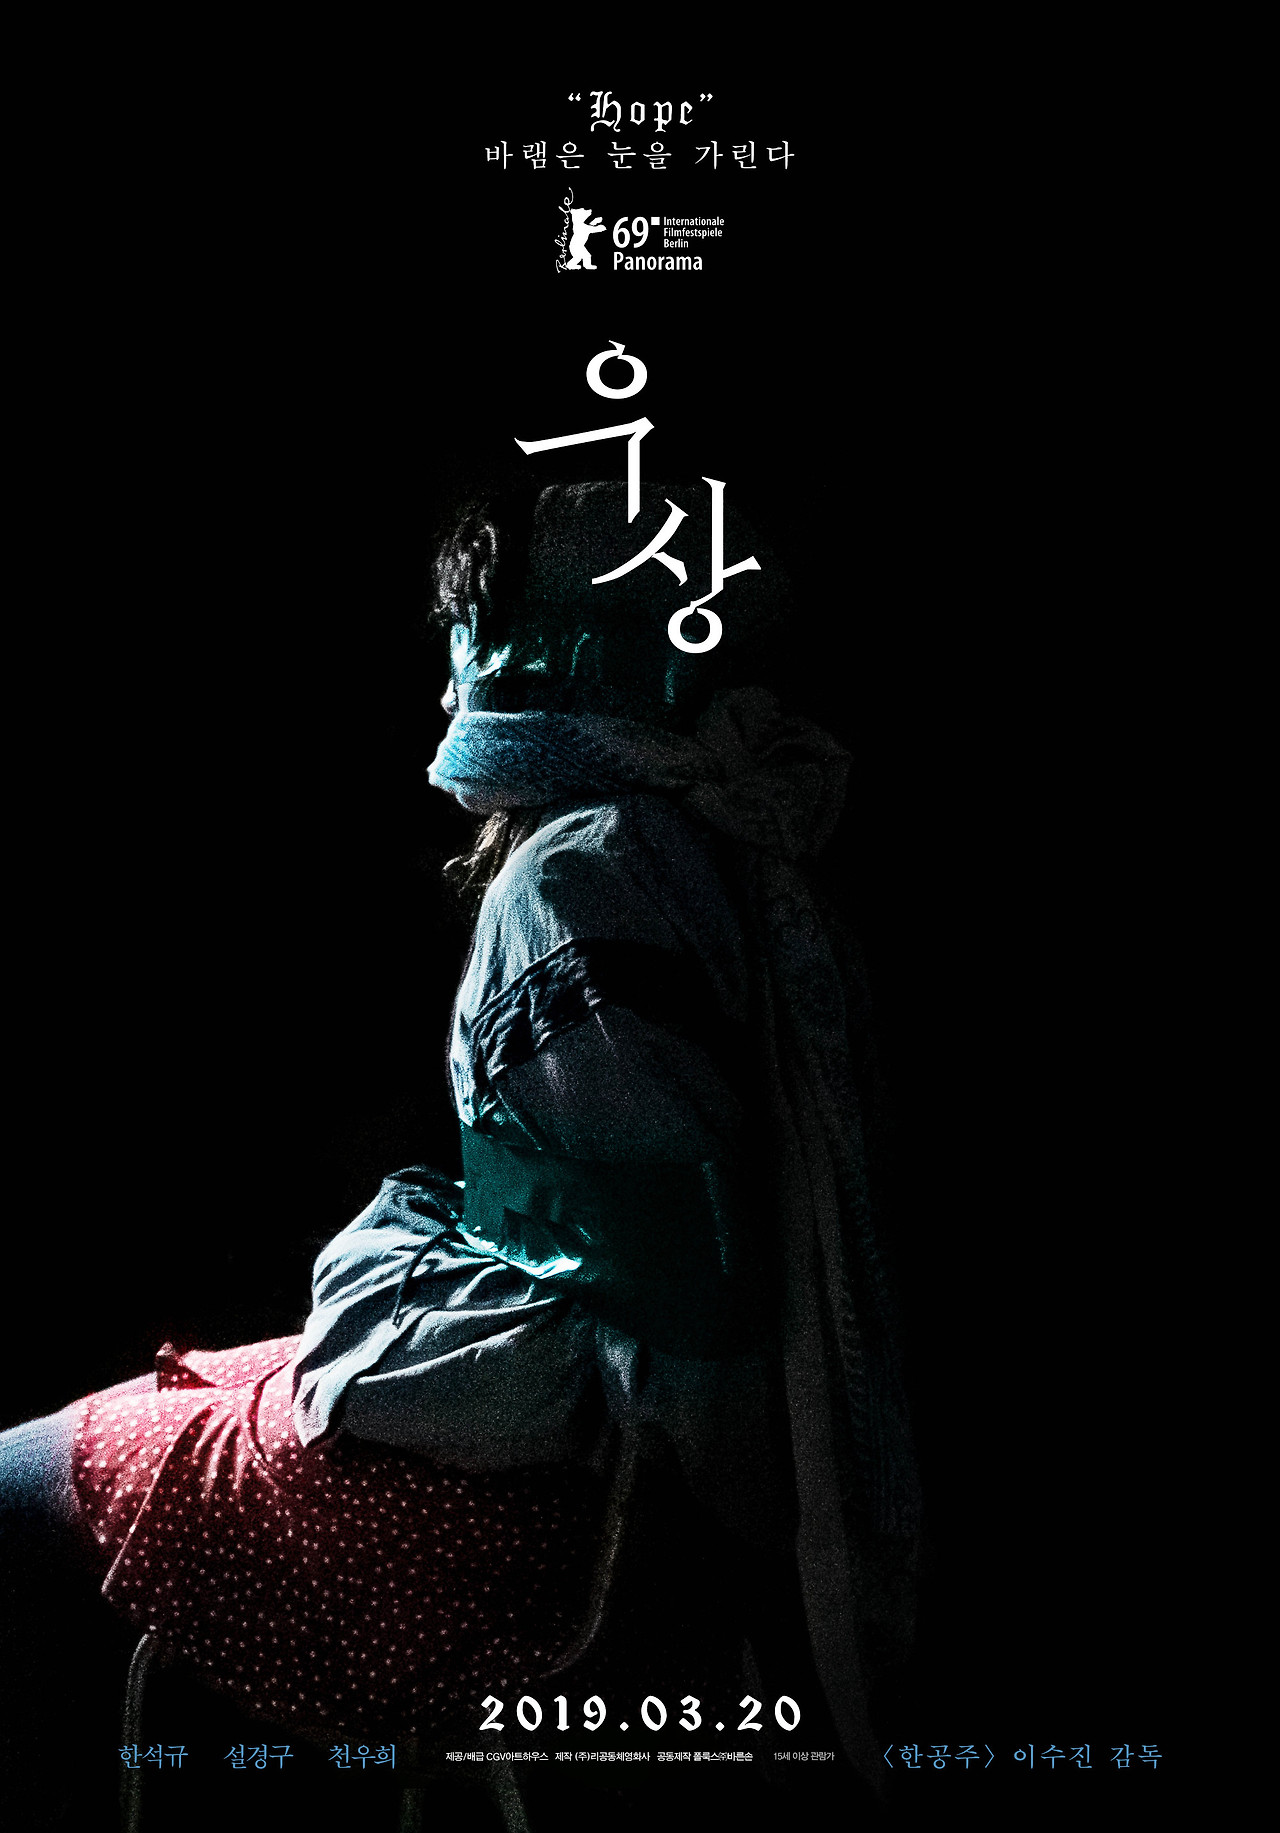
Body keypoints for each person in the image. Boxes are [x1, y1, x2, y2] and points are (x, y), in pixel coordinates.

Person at [0, 481, 918, 1805]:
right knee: (144, 1403)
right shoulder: (714, 842)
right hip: (566, 1439)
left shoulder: (582, 878)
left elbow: (680, 1311)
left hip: (544, 1504)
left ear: (545, 646)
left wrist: (731, 1585)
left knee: (24, 1475)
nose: (444, 686)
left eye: (466, 637)